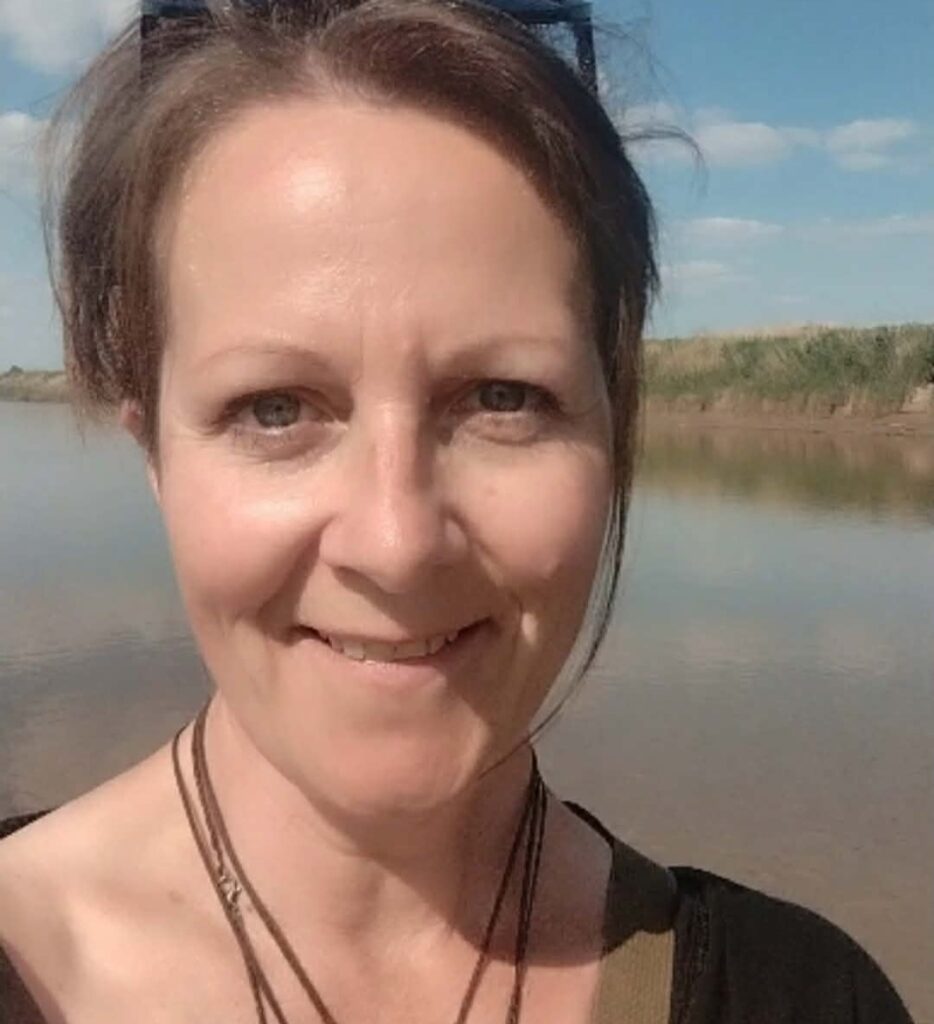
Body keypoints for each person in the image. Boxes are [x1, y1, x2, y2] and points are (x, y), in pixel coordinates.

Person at [0, 1, 917, 1022]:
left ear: (614, 434)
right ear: (154, 455)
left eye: (502, 397)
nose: (397, 544)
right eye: (275, 409)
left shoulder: (806, 999)